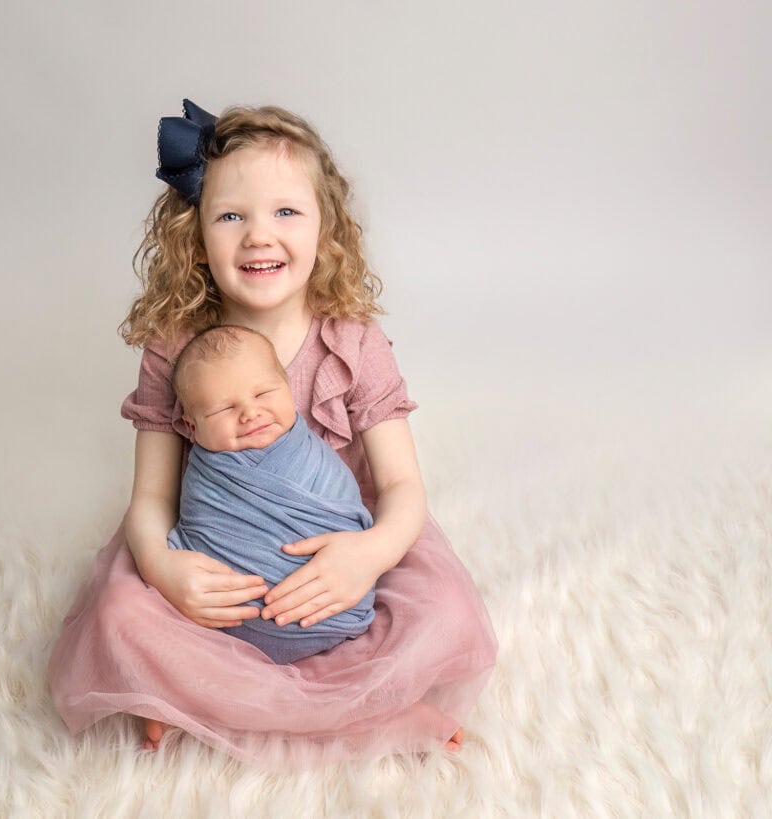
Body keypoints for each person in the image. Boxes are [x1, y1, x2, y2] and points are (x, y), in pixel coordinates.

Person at [48, 99, 497, 767]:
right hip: (220, 553)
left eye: (286, 211)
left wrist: (367, 556)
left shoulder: (352, 340)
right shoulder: (176, 345)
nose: (259, 235)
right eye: (232, 215)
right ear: (195, 233)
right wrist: (167, 569)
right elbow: (150, 499)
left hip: (335, 551)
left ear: (327, 227)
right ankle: (343, 702)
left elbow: (403, 487)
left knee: (446, 610)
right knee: (119, 613)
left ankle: (245, 698)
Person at [169, 323, 376, 664]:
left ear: (288, 389)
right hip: (222, 627)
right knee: (129, 608)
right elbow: (197, 529)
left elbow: (347, 512)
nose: (251, 413)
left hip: (334, 602)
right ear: (192, 427)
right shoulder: (208, 475)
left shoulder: (311, 455)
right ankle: (167, 694)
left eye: (263, 394)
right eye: (224, 409)